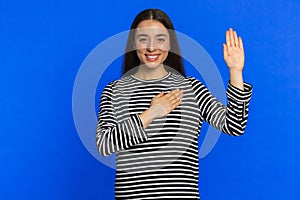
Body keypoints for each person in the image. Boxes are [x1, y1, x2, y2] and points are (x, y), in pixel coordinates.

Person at [96, 8, 252, 199]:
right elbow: (104, 145)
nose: (151, 47)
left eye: (160, 39)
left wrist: (236, 72)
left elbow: (234, 125)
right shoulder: (115, 91)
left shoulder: (191, 88)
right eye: (143, 39)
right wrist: (150, 115)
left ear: (170, 43)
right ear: (133, 44)